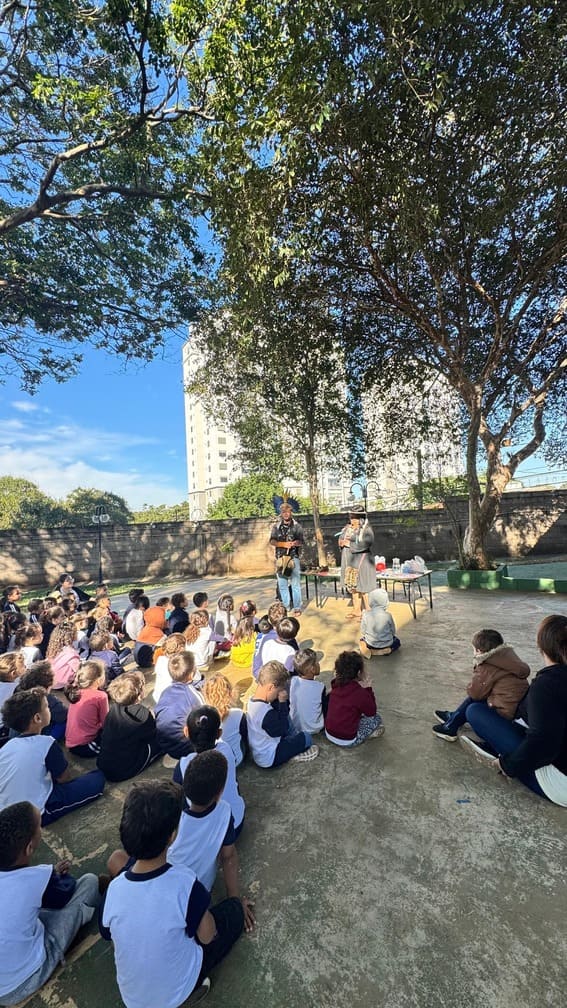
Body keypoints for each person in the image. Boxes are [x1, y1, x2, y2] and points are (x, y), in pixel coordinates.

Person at [101, 779, 245, 1008]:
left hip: (132, 999)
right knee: (233, 912)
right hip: (177, 989)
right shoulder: (185, 882)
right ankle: (190, 989)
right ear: (172, 836)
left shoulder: (115, 890)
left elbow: (111, 936)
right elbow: (207, 936)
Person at [458, 615, 567, 805]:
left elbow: (543, 743)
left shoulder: (547, 684)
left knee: (475, 711)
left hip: (559, 781)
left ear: (541, 647)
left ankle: (497, 754)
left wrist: (508, 765)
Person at [0, 800, 100, 1006]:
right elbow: (65, 893)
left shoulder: (30, 879)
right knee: (90, 882)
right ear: (29, 847)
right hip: (22, 981)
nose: (41, 829)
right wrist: (53, 877)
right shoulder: (33, 880)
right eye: (39, 826)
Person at [168, 753, 254, 930]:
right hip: (196, 897)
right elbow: (228, 858)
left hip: (164, 891)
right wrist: (234, 902)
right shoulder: (224, 811)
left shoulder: (172, 819)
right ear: (220, 792)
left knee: (118, 859)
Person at [0, 688, 105, 824]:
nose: (49, 710)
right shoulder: (46, 743)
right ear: (37, 718)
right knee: (98, 779)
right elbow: (64, 778)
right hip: (36, 812)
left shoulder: (8, 745)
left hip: (6, 808)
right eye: (47, 707)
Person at [432, 629, 529, 742]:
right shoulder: (508, 657)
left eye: (473, 650)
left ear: (479, 651)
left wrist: (476, 671)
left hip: (505, 712)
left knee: (473, 700)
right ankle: (455, 717)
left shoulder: (487, 666)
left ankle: (450, 727)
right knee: (482, 694)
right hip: (517, 706)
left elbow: (475, 693)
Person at [173, 706, 245, 838]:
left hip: (207, 834)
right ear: (219, 733)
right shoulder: (226, 750)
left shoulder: (183, 765)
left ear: (186, 732)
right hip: (236, 822)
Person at [247, 660, 318, 767]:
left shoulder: (252, 700)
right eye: (278, 691)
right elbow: (283, 728)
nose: (279, 694)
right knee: (307, 737)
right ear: (271, 687)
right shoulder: (266, 714)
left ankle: (292, 743)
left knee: (285, 720)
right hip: (270, 756)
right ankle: (293, 755)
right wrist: (283, 703)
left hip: (262, 747)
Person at [96, 673, 160, 782]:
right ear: (139, 695)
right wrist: (152, 718)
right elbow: (152, 734)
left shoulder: (113, 710)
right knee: (162, 741)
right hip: (124, 770)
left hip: (104, 765)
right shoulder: (143, 715)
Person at [324, 650, 384, 748]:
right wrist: (368, 689)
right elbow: (371, 712)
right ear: (359, 672)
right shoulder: (360, 693)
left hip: (329, 733)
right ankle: (364, 736)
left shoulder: (335, 684)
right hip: (347, 740)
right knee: (376, 718)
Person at [154, 654, 203, 760]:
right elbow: (204, 719)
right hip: (186, 749)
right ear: (191, 675)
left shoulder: (165, 692)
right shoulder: (192, 694)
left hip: (166, 745)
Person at [65, 660, 109, 757]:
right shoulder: (101, 696)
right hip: (86, 746)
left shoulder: (76, 691)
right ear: (99, 680)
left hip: (71, 743)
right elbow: (106, 722)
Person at [202, 673, 248, 766]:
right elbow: (245, 735)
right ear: (230, 693)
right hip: (235, 760)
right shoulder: (238, 713)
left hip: (213, 762)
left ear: (205, 694)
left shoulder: (201, 716)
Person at [17, 663, 68, 741]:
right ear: (49, 682)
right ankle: (49, 741)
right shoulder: (48, 699)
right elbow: (64, 715)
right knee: (66, 721)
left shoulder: (19, 689)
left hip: (20, 729)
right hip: (38, 732)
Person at [269, 501, 304, 615]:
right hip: (280, 558)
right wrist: (283, 544)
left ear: (291, 512)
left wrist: (295, 543)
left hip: (293, 558)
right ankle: (286, 606)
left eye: (288, 511)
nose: (286, 514)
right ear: (281, 513)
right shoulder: (276, 527)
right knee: (282, 584)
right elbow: (272, 541)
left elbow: (301, 541)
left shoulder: (297, 526)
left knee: (295, 584)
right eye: (283, 511)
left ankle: (297, 607)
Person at [344, 505, 376, 619]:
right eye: (351, 517)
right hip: (354, 560)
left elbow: (365, 544)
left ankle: (368, 611)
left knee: (364, 586)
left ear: (360, 518)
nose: (352, 520)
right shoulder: (352, 528)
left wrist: (350, 544)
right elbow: (346, 538)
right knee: (354, 585)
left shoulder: (367, 530)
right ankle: (356, 610)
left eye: (354, 518)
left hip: (364, 559)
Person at [290, 649, 328, 736]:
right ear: (312, 669)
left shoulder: (292, 681)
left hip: (295, 725)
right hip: (314, 728)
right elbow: (325, 708)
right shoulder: (320, 687)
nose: (319, 664)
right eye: (317, 662)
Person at [359, 589, 401, 658]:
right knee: (397, 642)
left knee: (362, 639)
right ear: (386, 602)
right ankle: (387, 650)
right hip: (386, 644)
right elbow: (393, 631)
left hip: (370, 644)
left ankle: (366, 648)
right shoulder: (388, 615)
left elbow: (363, 631)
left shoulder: (366, 615)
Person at [153, 632, 187, 702]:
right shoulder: (179, 664)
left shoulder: (160, 659)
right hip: (172, 698)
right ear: (181, 648)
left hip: (158, 696)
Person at [46, 621, 80, 689]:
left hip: (50, 682)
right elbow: (78, 670)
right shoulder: (72, 654)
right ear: (72, 635)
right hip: (62, 685)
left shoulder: (54, 649)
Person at [338, 519, 355, 595]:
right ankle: (349, 588)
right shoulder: (345, 530)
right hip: (346, 553)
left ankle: (354, 588)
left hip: (355, 554)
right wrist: (343, 543)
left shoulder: (359, 530)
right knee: (347, 570)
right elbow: (340, 542)